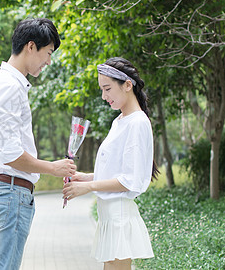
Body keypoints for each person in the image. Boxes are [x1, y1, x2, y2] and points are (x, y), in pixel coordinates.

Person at [0, 18, 77, 270]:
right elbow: (12, 153)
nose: (48, 61)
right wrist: (53, 168)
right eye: (48, 53)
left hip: (2, 190)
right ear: (30, 46)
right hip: (10, 194)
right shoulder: (9, 87)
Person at [62, 57, 159, 270]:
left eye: (107, 89)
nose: (104, 96)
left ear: (127, 85)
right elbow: (115, 171)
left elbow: (128, 180)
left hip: (119, 216)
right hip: (109, 215)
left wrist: (87, 187)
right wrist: (84, 177)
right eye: (101, 90)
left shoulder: (137, 122)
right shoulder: (119, 121)